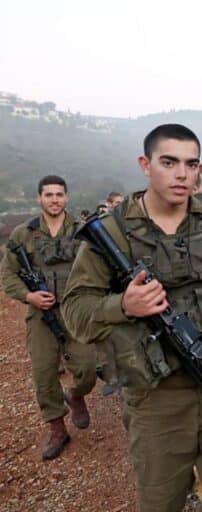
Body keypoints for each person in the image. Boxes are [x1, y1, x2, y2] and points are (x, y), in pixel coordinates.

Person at [61, 124, 202, 511]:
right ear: (146, 164)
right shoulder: (112, 235)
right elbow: (74, 311)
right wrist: (123, 305)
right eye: (169, 162)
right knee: (161, 502)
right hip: (156, 397)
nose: (182, 174)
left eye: (191, 164)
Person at [1, 175, 96, 461]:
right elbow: (8, 275)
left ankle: (77, 394)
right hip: (41, 315)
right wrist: (29, 296)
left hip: (75, 311)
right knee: (43, 374)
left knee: (88, 367)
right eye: (48, 194)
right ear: (39, 198)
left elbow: (98, 268)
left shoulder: (82, 232)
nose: (54, 199)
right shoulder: (23, 234)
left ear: (66, 198)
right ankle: (57, 427)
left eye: (59, 194)